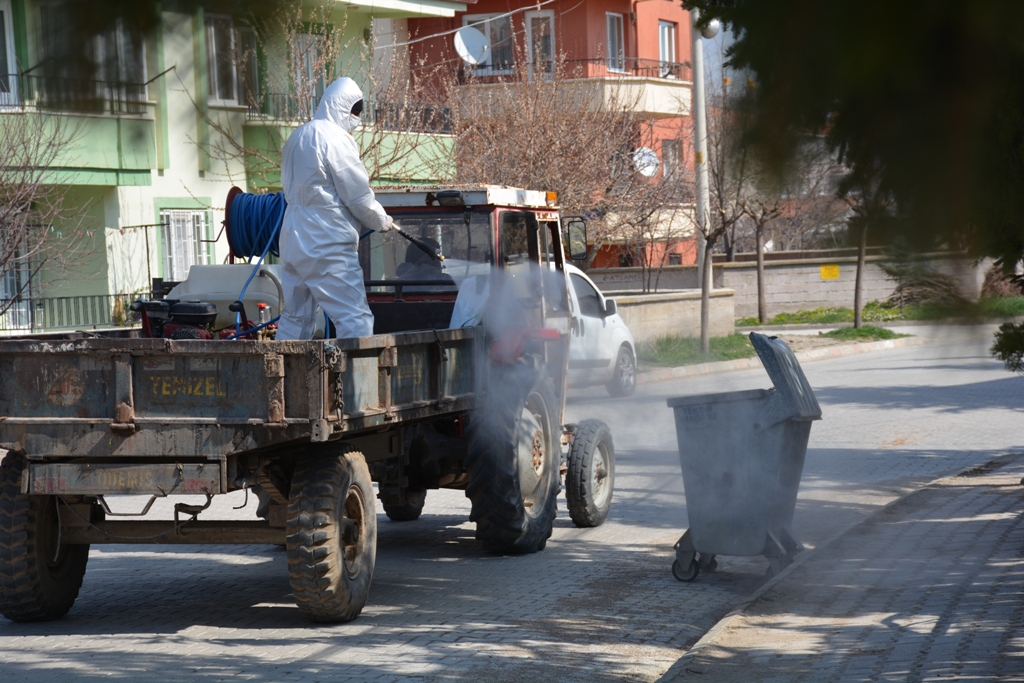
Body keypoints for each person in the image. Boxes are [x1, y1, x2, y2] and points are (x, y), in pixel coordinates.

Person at [276, 77, 392, 340]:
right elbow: (357, 195)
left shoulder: (298, 135)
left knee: (295, 319)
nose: (357, 118)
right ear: (342, 107)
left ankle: (282, 379)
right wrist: (381, 220)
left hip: (293, 238)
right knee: (354, 319)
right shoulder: (336, 139)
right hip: (326, 241)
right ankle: (356, 381)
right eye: (355, 110)